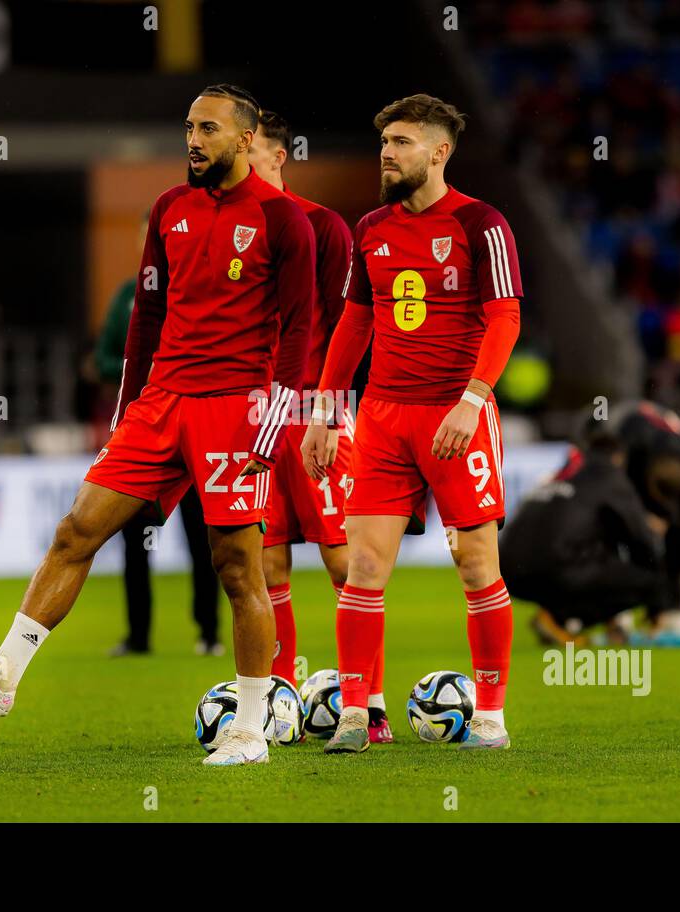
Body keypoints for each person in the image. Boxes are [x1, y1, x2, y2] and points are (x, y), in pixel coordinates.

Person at [0, 84, 316, 767]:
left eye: (209, 129)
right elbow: (146, 321)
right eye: (189, 126)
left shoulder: (285, 222)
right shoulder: (169, 209)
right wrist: (128, 413)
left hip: (233, 407)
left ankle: (250, 729)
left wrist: (271, 423)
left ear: (246, 140)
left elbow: (303, 330)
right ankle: (1, 675)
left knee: (237, 568)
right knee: (77, 531)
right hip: (160, 403)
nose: (193, 139)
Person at [301, 94, 523, 753]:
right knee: (363, 564)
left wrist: (474, 397)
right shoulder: (370, 228)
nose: (387, 154)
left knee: (476, 562)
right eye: (384, 144)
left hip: (455, 415)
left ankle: (489, 718)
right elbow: (356, 323)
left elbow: (505, 317)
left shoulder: (482, 224)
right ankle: (355, 716)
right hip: (383, 417)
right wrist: (325, 410)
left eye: (401, 142)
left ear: (438, 152)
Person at [246, 110, 396, 742]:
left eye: (245, 152)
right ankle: (280, 709)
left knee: (346, 562)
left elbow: (349, 323)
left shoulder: (322, 226)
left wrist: (333, 413)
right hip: (250, 419)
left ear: (278, 156)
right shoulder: (222, 228)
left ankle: (372, 704)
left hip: (312, 415)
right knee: (267, 567)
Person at [94, 212, 221, 657]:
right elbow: (105, 359)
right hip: (146, 430)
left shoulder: (198, 291)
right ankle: (138, 636)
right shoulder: (129, 297)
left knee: (203, 540)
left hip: (194, 432)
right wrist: (142, 372)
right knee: (133, 540)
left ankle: (209, 633)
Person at [501, 429, 670, 644]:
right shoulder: (608, 474)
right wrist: (659, 598)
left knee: (595, 558)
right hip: (554, 571)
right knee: (649, 579)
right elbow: (641, 539)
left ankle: (563, 617)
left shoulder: (564, 472)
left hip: (508, 573)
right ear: (619, 457)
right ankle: (563, 619)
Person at [568, 400, 680, 635]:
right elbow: (607, 510)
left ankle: (666, 603)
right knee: (613, 531)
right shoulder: (623, 447)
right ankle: (607, 607)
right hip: (599, 444)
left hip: (642, 448)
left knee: (676, 527)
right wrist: (640, 518)